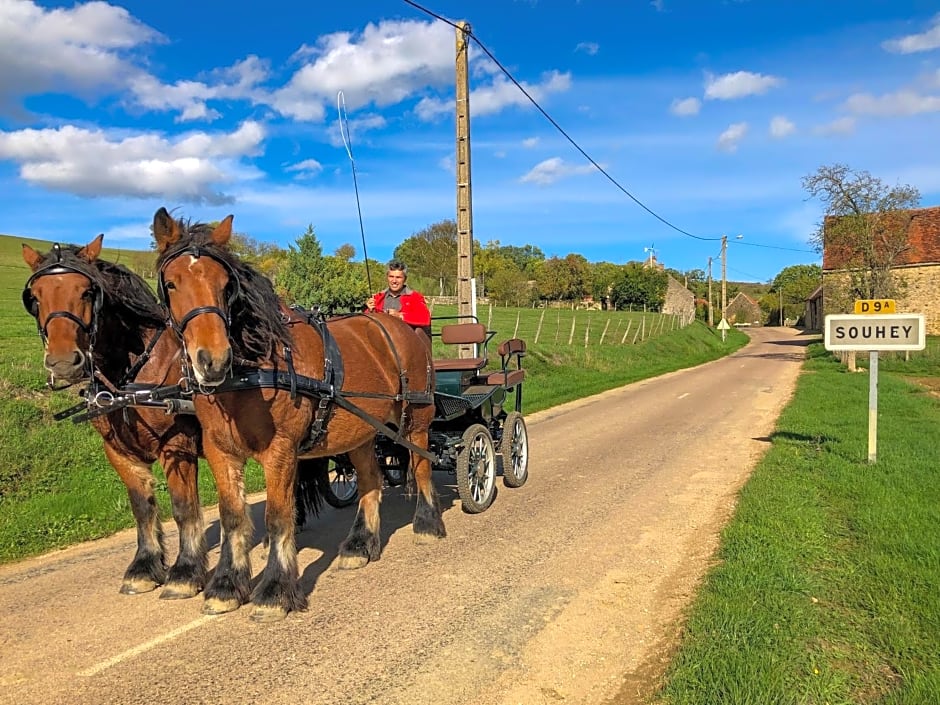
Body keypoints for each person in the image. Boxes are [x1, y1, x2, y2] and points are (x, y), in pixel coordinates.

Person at [366, 259, 432, 336]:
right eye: (391, 276)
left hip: (406, 341)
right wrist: (369, 310)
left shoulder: (415, 297)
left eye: (398, 277)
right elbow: (366, 322)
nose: (394, 281)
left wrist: (400, 316)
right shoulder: (378, 297)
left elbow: (425, 318)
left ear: (405, 279)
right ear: (387, 277)